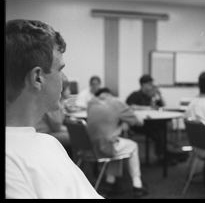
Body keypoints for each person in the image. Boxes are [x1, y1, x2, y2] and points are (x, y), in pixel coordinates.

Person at [6, 19, 102, 198]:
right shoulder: (10, 163)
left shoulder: (50, 143)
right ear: (38, 78)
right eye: (60, 69)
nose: (65, 78)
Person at [87, 88, 148, 197]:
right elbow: (137, 122)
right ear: (111, 95)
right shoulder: (117, 103)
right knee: (133, 146)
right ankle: (137, 184)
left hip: (88, 147)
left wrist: (119, 125)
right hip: (105, 147)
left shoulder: (91, 103)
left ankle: (110, 181)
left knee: (118, 143)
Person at [126, 75, 184, 163]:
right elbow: (130, 106)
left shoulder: (151, 96)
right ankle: (163, 154)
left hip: (151, 123)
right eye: (149, 84)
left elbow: (163, 106)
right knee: (158, 132)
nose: (151, 86)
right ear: (143, 85)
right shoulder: (135, 95)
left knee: (162, 128)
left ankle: (163, 154)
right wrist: (148, 108)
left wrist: (159, 94)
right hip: (139, 124)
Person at [35, 74, 71, 155]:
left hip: (44, 132)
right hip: (44, 134)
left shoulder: (59, 103)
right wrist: (73, 130)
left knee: (74, 135)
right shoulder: (54, 103)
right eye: (68, 89)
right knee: (73, 137)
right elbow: (56, 126)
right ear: (62, 90)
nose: (70, 92)